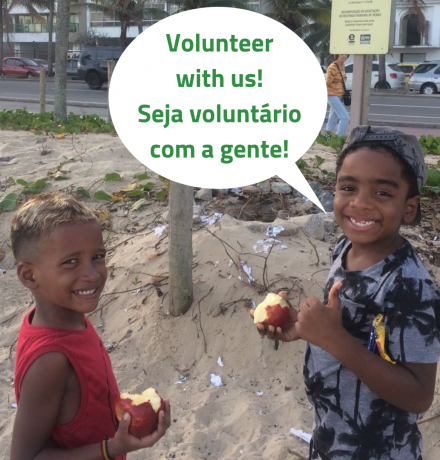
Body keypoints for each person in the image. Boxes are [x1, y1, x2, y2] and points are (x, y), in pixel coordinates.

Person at [251, 126, 440, 460]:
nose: (360, 203)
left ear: (409, 208)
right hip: (330, 435)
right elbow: (346, 323)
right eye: (348, 187)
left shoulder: (411, 287)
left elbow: (419, 395)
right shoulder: (344, 248)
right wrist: (303, 329)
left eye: (382, 193)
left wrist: (334, 340)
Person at [10, 193, 171, 460]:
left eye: (97, 256)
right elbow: (24, 457)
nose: (93, 274)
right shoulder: (51, 360)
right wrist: (112, 448)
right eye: (71, 262)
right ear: (30, 275)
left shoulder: (65, 316)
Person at [325, 54, 350, 136]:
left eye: (346, 55)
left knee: (332, 118)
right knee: (345, 117)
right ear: (337, 55)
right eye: (342, 54)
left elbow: (342, 80)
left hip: (340, 95)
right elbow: (327, 83)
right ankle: (339, 138)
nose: (344, 56)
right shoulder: (332, 67)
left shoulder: (342, 66)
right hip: (332, 95)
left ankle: (327, 138)